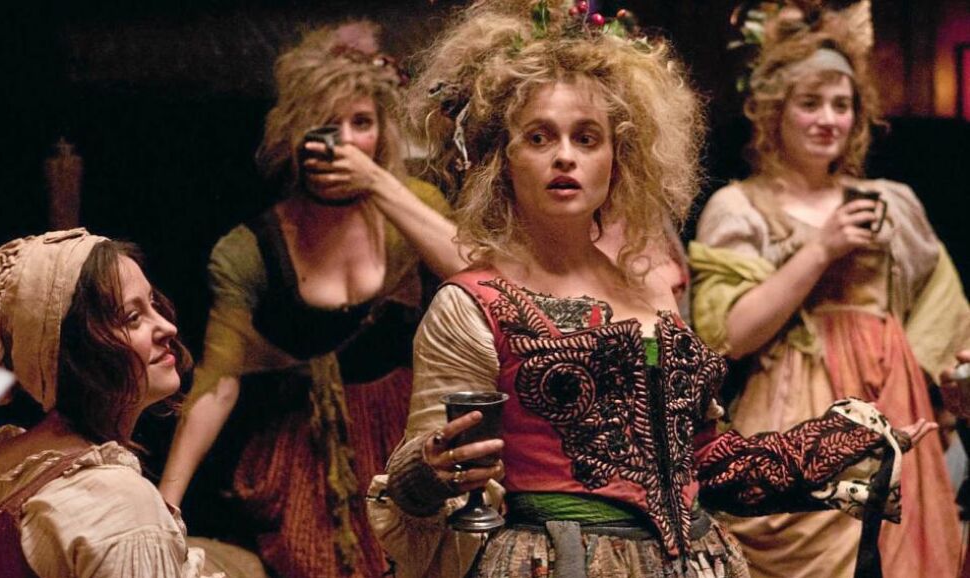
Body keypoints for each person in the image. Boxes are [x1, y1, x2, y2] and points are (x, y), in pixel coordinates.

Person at [367, 2, 936, 577]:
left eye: (587, 138)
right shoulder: (472, 304)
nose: (565, 155)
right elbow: (420, 489)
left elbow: (703, 464)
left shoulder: (650, 290)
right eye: (539, 137)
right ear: (502, 158)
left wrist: (831, 447)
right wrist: (428, 473)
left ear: (619, 158)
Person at [157, 21, 464, 578]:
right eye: (325, 124)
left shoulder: (411, 207)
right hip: (308, 450)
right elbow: (219, 381)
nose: (342, 141)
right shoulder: (251, 249)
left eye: (361, 123)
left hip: (403, 431)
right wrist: (165, 503)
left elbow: (473, 272)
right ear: (295, 133)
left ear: (382, 132)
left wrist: (378, 182)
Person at [690, 5, 970, 578]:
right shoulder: (740, 206)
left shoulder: (890, 201)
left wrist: (928, 377)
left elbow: (943, 301)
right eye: (810, 103)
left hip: (893, 397)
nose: (828, 119)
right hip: (796, 407)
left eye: (841, 105)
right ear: (776, 112)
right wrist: (819, 250)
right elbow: (729, 334)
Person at [0, 229, 261, 578]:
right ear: (72, 353)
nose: (167, 327)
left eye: (153, 305)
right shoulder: (118, 506)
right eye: (132, 318)